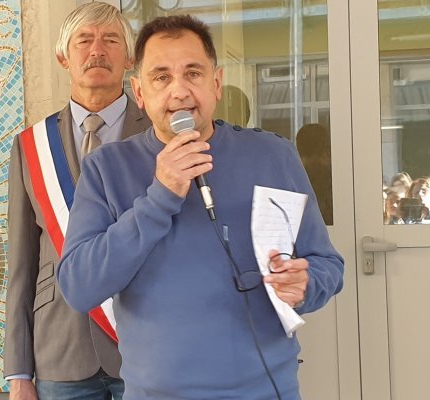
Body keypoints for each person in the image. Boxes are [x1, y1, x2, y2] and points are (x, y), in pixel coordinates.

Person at [57, 15, 344, 399]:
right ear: (139, 93)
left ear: (216, 84)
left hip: (264, 390)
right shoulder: (107, 168)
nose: (179, 91)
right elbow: (79, 287)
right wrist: (160, 196)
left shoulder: (273, 155)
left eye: (193, 73)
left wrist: (306, 284)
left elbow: (327, 265)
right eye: (161, 77)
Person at [3, 3, 151, 400]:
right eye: (84, 40)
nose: (97, 50)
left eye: (111, 40)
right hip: (60, 352)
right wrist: (19, 373)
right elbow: (22, 264)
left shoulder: (159, 136)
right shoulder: (31, 146)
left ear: (131, 57)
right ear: (63, 56)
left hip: (146, 345)